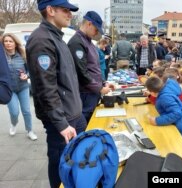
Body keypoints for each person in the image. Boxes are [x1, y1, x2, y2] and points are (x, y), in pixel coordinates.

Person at [25, 1, 87, 187]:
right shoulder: (42, 40)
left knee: (75, 161)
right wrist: (61, 123)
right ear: (50, 10)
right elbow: (46, 88)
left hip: (73, 114)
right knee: (61, 164)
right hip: (63, 120)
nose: (70, 15)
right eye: (66, 10)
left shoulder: (56, 37)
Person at [68, 11, 114, 123]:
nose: (96, 33)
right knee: (86, 123)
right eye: (96, 29)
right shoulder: (77, 42)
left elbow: (95, 67)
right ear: (89, 24)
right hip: (85, 93)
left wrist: (104, 83)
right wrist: (100, 88)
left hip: (92, 92)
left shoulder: (89, 42)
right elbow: (82, 72)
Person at [2, 33, 37, 140]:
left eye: (10, 41)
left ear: (15, 43)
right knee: (14, 112)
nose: (8, 43)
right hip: (9, 90)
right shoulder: (1, 57)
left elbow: (30, 70)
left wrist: (27, 75)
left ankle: (29, 130)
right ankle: (14, 123)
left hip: (23, 87)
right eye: (6, 41)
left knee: (26, 111)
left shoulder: (23, 55)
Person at [146, 76, 182, 148]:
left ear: (152, 92)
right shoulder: (166, 87)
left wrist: (157, 121)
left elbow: (176, 113)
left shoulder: (164, 97)